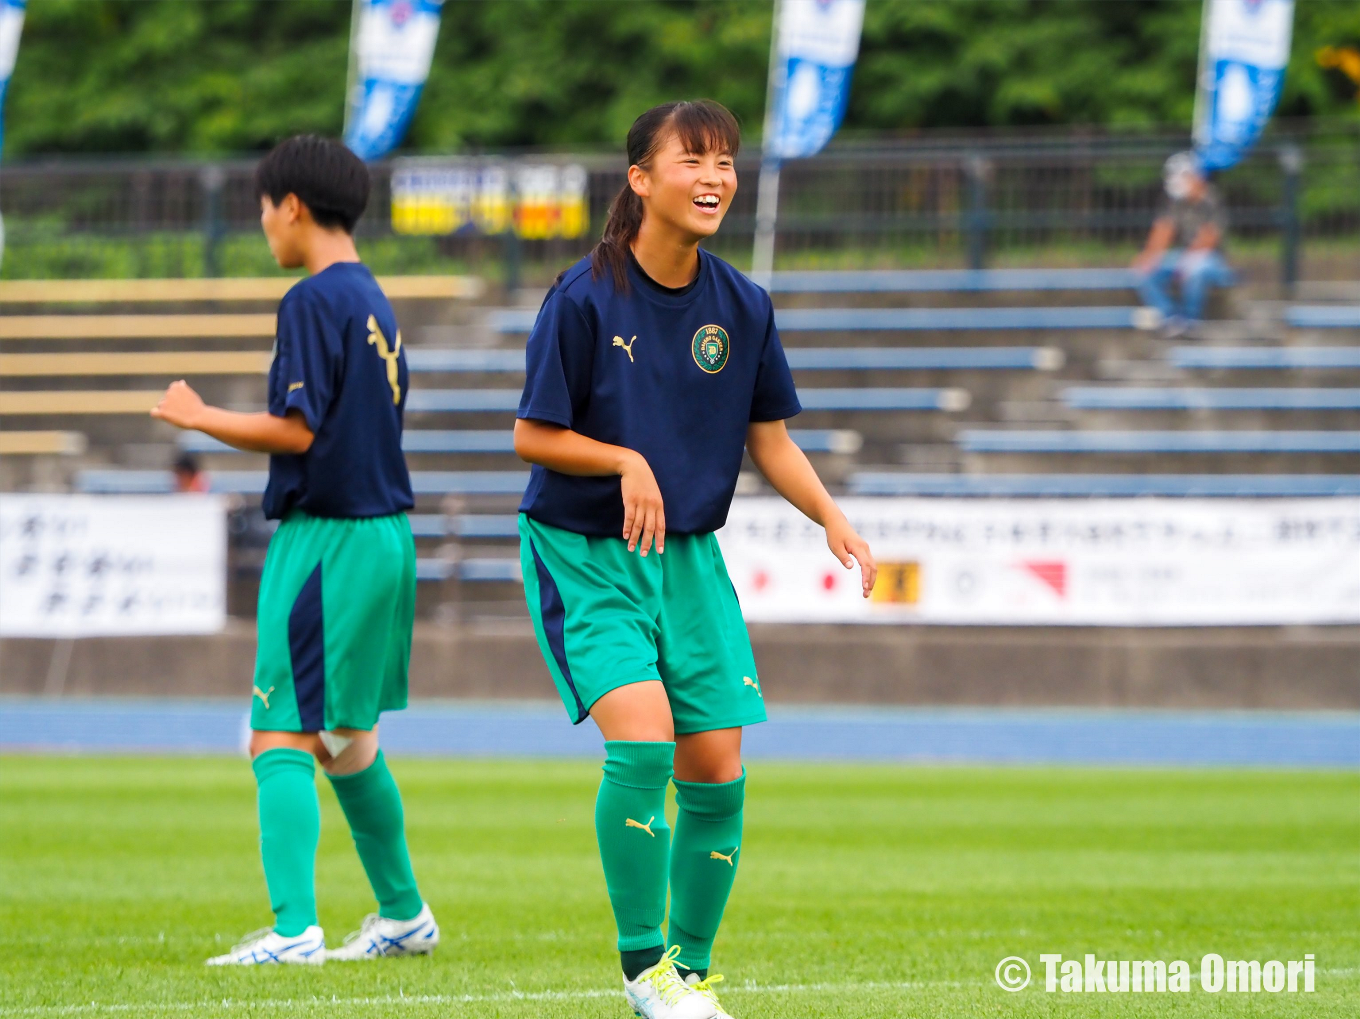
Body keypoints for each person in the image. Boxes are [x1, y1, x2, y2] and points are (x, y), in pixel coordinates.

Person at [513, 100, 877, 1019]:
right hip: (588, 553)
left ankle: (691, 970)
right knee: (644, 743)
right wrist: (623, 458)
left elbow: (772, 439)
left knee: (715, 767)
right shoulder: (584, 295)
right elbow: (532, 434)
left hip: (688, 559)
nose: (715, 176)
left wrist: (831, 517)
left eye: (726, 161)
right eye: (694, 158)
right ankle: (645, 975)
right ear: (641, 178)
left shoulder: (743, 306)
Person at [150, 135, 437, 965]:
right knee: (348, 736)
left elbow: (297, 428)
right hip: (386, 535)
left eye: (264, 210)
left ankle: (292, 931)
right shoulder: (375, 300)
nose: (264, 226)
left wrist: (197, 415)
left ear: (294, 207)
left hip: (328, 539)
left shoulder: (311, 299)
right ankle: (403, 913)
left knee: (277, 732)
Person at [1133, 151, 1235, 337]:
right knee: (1145, 271)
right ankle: (1170, 317)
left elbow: (1209, 239)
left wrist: (1186, 261)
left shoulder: (1211, 199)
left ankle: (1191, 321)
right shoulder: (1176, 202)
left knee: (1195, 269)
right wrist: (1149, 256)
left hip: (1212, 259)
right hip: (1186, 254)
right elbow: (1163, 229)